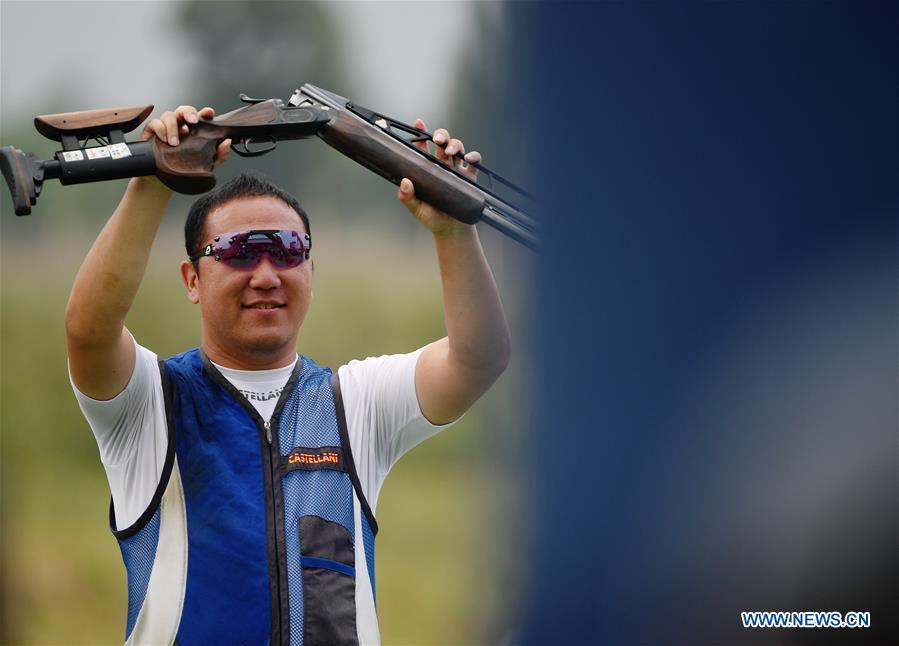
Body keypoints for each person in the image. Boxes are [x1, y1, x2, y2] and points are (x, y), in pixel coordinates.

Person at [65, 104, 511, 645]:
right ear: (192, 279)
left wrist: (452, 231)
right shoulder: (150, 402)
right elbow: (89, 331)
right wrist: (154, 184)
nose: (266, 275)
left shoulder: (354, 404)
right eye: (239, 252)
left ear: (310, 271)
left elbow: (478, 357)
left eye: (287, 250)